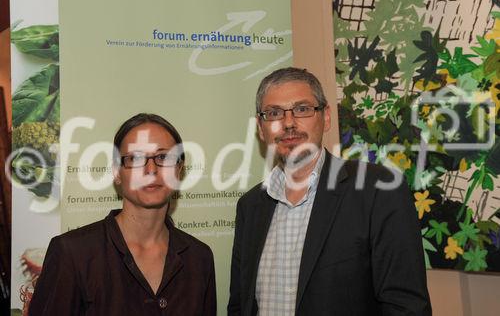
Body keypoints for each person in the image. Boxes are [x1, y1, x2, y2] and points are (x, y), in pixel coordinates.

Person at [227, 67, 431, 315]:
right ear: (261, 128)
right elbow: (240, 304)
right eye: (274, 113)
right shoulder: (250, 206)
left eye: (302, 109)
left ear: (326, 117)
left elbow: (406, 306)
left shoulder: (379, 190)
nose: (288, 123)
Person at [29, 113, 216, 316]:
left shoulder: (199, 258)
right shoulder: (72, 253)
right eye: (135, 158)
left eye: (163, 157)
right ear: (117, 172)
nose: (151, 169)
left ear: (179, 169)